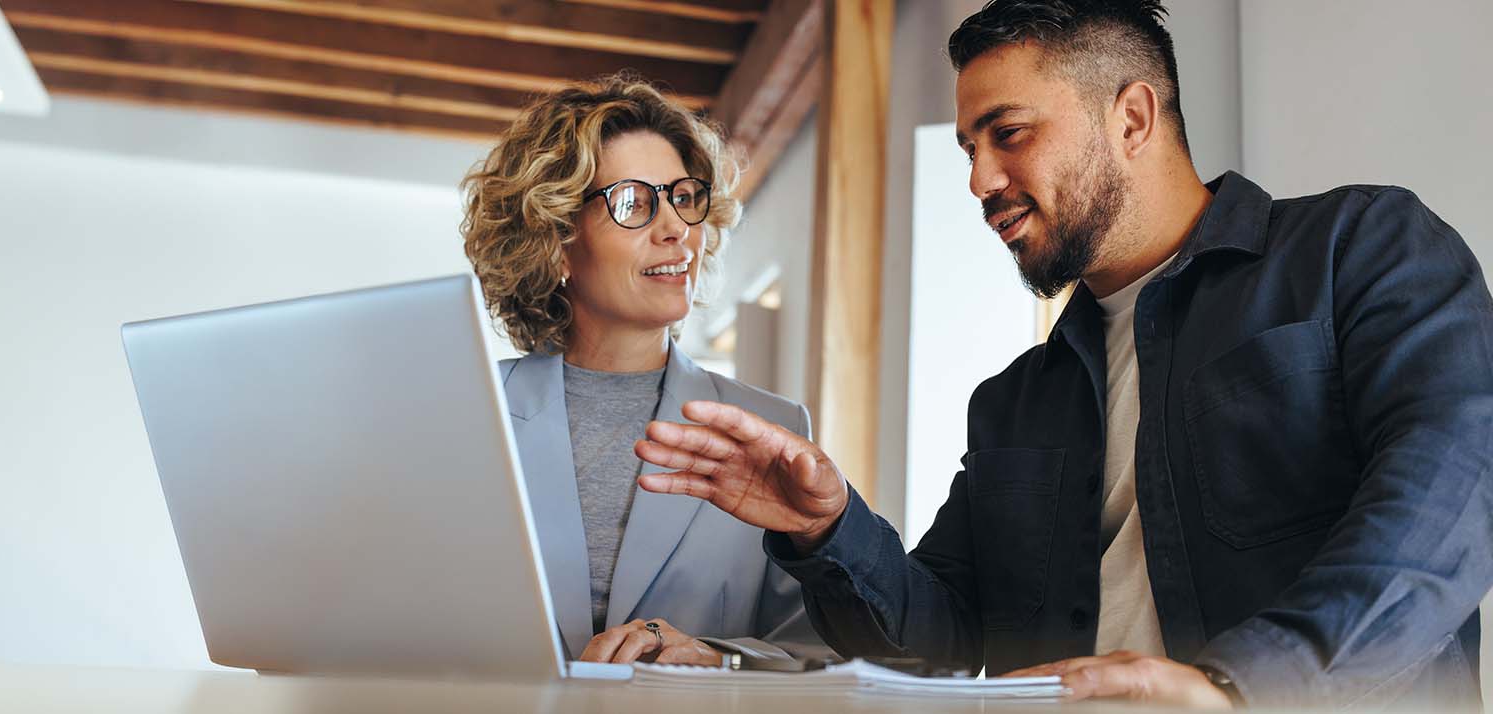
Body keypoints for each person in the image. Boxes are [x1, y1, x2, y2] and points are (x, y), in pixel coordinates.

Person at [633, 0, 1492, 708]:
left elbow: (1456, 486)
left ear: (1132, 118)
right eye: (971, 147)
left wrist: (1236, 688)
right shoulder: (1014, 400)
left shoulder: (1358, 248)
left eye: (1007, 133)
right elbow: (940, 641)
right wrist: (826, 527)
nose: (978, 180)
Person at [460, 76, 825, 666]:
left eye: (683, 197)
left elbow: (819, 648)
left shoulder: (771, 426)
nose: (676, 228)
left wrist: (717, 657)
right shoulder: (467, 414)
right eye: (633, 202)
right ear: (555, 242)